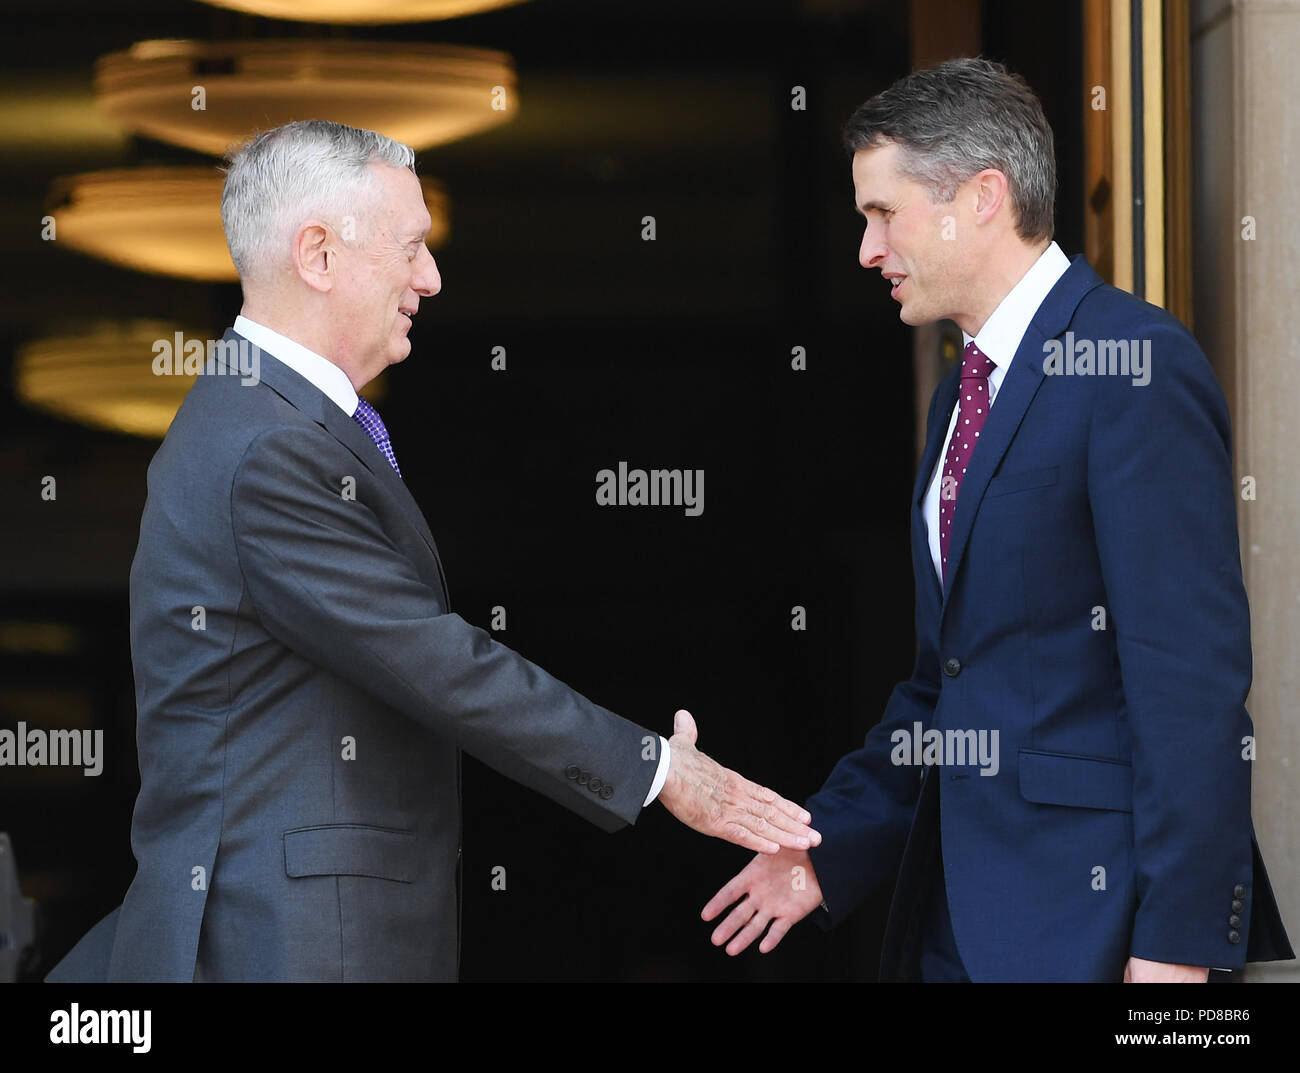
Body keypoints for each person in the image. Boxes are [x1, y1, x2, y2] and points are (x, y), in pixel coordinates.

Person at [46, 119, 818, 983]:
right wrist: (657, 770)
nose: (431, 276)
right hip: (293, 937)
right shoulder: (270, 445)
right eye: (412, 247)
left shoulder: (264, 415)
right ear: (319, 255)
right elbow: (433, 658)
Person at [702, 57, 1293, 982]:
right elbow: (947, 686)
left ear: (983, 196)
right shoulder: (958, 399)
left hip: (1102, 933)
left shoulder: (1135, 365)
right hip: (958, 922)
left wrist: (1177, 951)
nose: (866, 249)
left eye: (882, 213)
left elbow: (1191, 688)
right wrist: (828, 846)